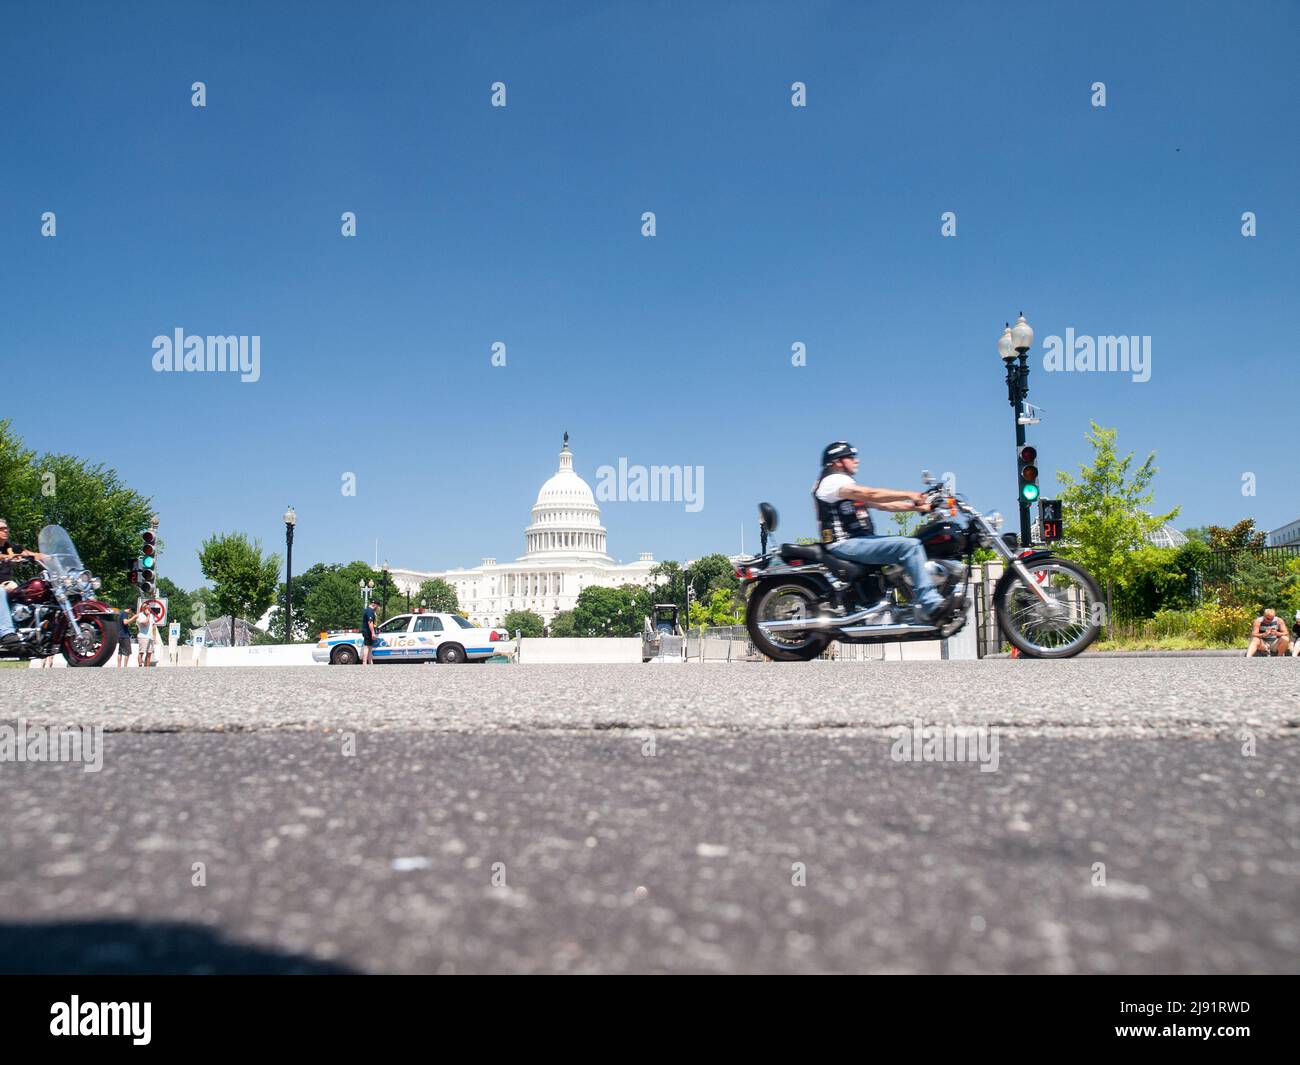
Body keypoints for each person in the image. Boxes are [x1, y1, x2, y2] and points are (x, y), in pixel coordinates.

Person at [813, 441, 949, 622]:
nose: (857, 461)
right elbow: (870, 494)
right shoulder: (832, 481)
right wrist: (910, 494)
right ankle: (931, 604)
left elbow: (884, 505)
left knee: (909, 544)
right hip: (844, 543)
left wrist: (921, 507)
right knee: (910, 546)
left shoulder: (842, 485)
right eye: (851, 457)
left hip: (858, 540)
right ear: (837, 461)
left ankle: (905, 604)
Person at [0, 518, 42, 651]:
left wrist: (47, 556)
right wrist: (7, 557)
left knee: (29, 592)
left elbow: (27, 553)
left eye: (6, 528)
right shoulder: (6, 552)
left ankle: (32, 632)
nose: (5, 530)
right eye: (1, 528)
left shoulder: (10, 546)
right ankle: (7, 634)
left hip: (7, 585)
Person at [362, 597, 378, 665]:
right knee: (367, 647)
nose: (377, 608)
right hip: (368, 631)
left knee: (370, 647)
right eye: (377, 606)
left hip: (368, 631)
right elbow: (370, 622)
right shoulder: (369, 611)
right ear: (375, 604)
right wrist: (373, 633)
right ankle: (364, 662)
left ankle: (370, 662)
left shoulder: (368, 610)